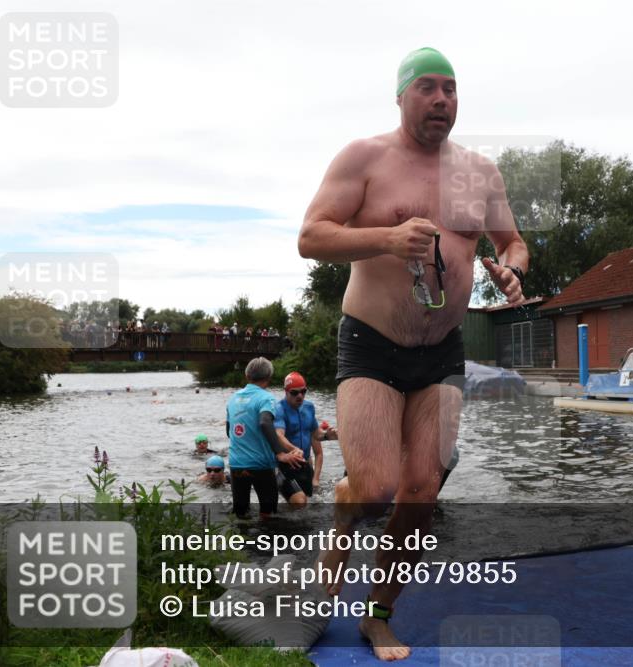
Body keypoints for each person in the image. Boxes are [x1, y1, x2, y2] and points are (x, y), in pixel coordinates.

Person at [298, 46, 527, 660]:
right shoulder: (364, 157)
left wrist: (509, 270)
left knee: (421, 493)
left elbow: (512, 241)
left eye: (450, 88)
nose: (441, 99)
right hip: (371, 344)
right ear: (400, 96)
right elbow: (311, 236)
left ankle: (379, 615)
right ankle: (343, 510)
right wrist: (388, 237)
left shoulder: (481, 173)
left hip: (442, 353)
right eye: (427, 87)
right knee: (375, 489)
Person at [225, 357, 303, 518]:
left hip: (237, 464)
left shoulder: (232, 398)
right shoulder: (265, 398)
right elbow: (265, 422)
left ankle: (241, 541)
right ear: (268, 378)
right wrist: (280, 453)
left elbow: (228, 431)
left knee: (240, 512)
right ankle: (266, 540)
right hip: (261, 465)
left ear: (247, 376)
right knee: (268, 513)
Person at [274, 371, 337, 507]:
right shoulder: (279, 409)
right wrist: (294, 449)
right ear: (285, 392)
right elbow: (278, 435)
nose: (300, 396)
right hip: (286, 467)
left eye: (303, 391)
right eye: (294, 393)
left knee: (309, 508)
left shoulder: (309, 407)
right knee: (300, 502)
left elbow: (316, 434)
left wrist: (327, 436)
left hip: (305, 467)